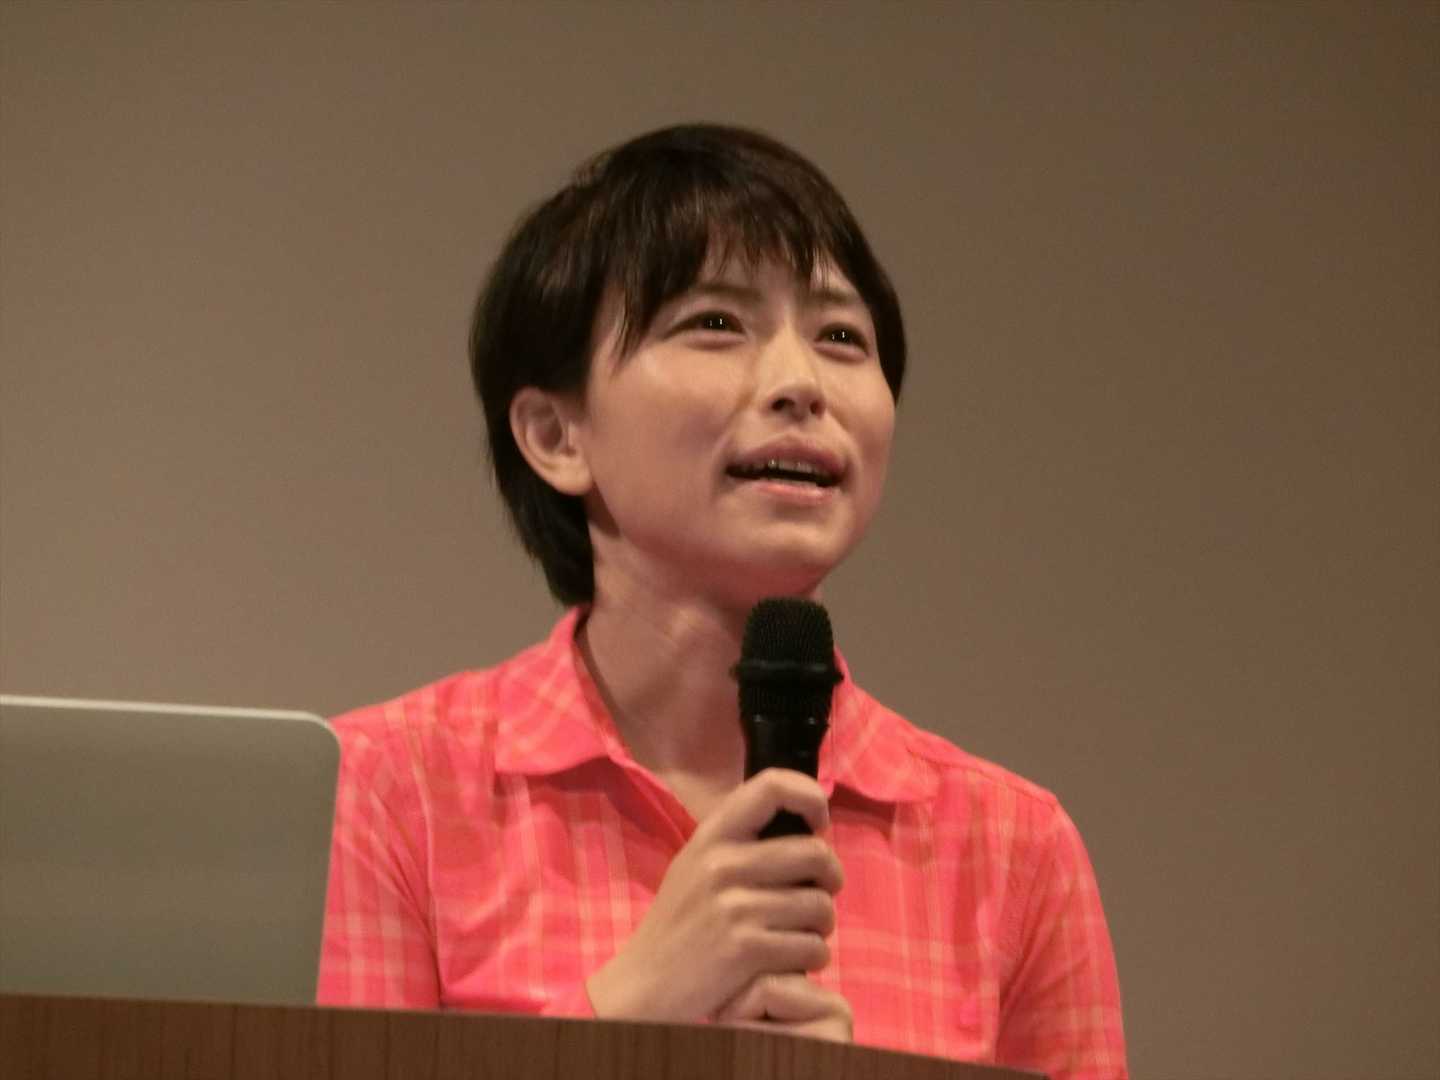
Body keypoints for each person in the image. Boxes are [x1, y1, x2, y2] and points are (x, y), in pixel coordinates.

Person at [317, 123, 1128, 1079]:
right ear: (557, 435)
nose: (800, 385)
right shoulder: (384, 796)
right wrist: (626, 1019)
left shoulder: (1012, 851)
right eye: (715, 324)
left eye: (841, 337)